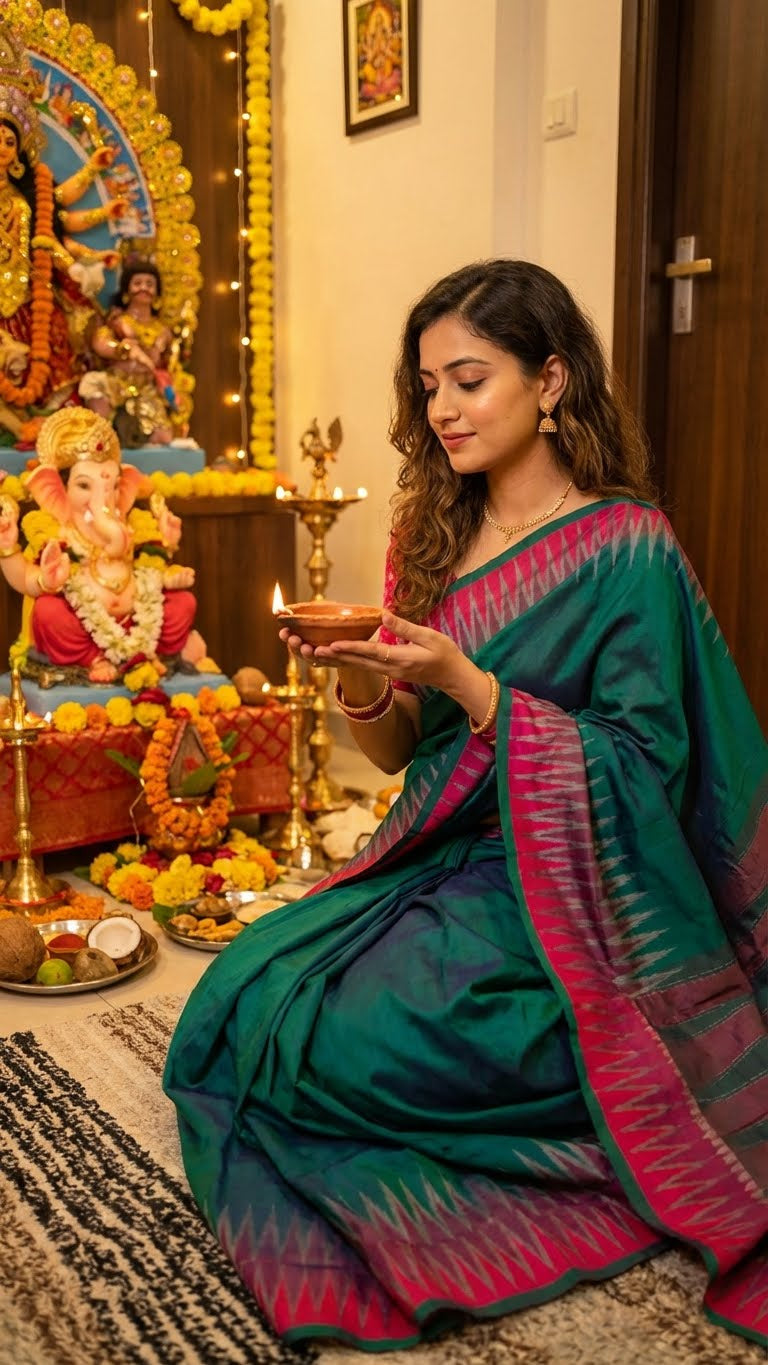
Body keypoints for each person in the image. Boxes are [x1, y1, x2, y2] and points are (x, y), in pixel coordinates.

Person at [164, 260, 768, 1351]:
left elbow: (649, 768)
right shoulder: (429, 537)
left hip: (574, 889)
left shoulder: (626, 545)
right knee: (245, 995)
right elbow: (403, 753)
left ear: (552, 380)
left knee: (363, 1040)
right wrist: (358, 678)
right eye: (429, 384)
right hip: (437, 852)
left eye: (469, 379)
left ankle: (609, 1086)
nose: (442, 408)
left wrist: (472, 684)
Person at [0, 406, 206, 683]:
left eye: (113, 487)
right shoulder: (57, 533)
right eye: (85, 486)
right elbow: (27, 579)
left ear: (125, 487)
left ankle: (145, 653)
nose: (103, 499)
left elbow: (148, 574)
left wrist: (168, 556)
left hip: (136, 621)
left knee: (183, 603)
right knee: (48, 612)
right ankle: (93, 659)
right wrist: (15, 555)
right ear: (56, 490)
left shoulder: (132, 526)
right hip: (84, 629)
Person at [0, 24, 124, 442]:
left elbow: (46, 241)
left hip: (26, 297)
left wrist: (74, 268)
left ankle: (45, 424)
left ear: (18, 151)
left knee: (59, 335)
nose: (2, 147)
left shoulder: (31, 195)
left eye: (9, 141)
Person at [79, 257, 180, 447]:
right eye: (137, 283)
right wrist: (123, 349)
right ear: (127, 290)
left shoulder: (163, 331)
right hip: (116, 381)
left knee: (163, 437)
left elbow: (166, 365)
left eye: (150, 284)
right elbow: (100, 343)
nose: (144, 288)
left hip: (146, 388)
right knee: (98, 406)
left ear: (157, 292)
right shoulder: (117, 321)